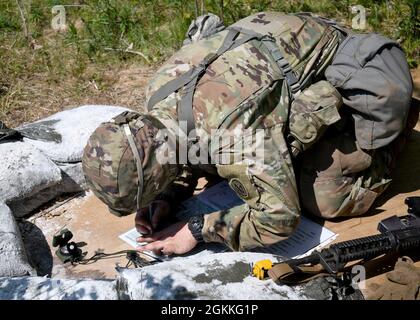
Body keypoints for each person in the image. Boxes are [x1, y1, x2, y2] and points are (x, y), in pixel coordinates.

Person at [82, 12, 415, 256]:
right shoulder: (157, 96)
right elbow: (182, 143)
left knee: (325, 199)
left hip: (347, 65)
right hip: (282, 46)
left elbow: (280, 218)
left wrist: (198, 230)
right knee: (229, 163)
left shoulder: (228, 133)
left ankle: (387, 140)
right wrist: (167, 197)